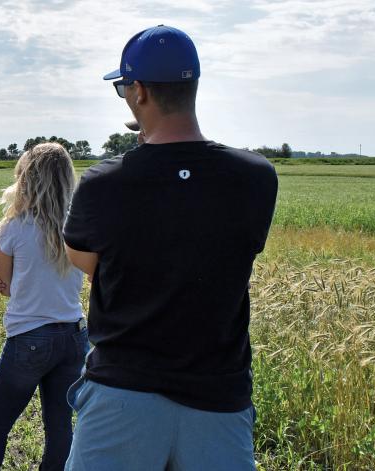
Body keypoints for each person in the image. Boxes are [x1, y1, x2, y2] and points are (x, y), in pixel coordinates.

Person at [62, 25, 277, 470]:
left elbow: (83, 260)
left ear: (138, 92)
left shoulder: (105, 183)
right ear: (192, 87)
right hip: (219, 399)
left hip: (122, 396)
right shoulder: (256, 178)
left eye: (122, 87)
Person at [0, 143, 87, 471]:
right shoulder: (77, 225)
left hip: (29, 338)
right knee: (60, 430)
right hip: (74, 337)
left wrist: (1, 280)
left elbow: (4, 285)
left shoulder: (15, 226)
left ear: (27, 178)